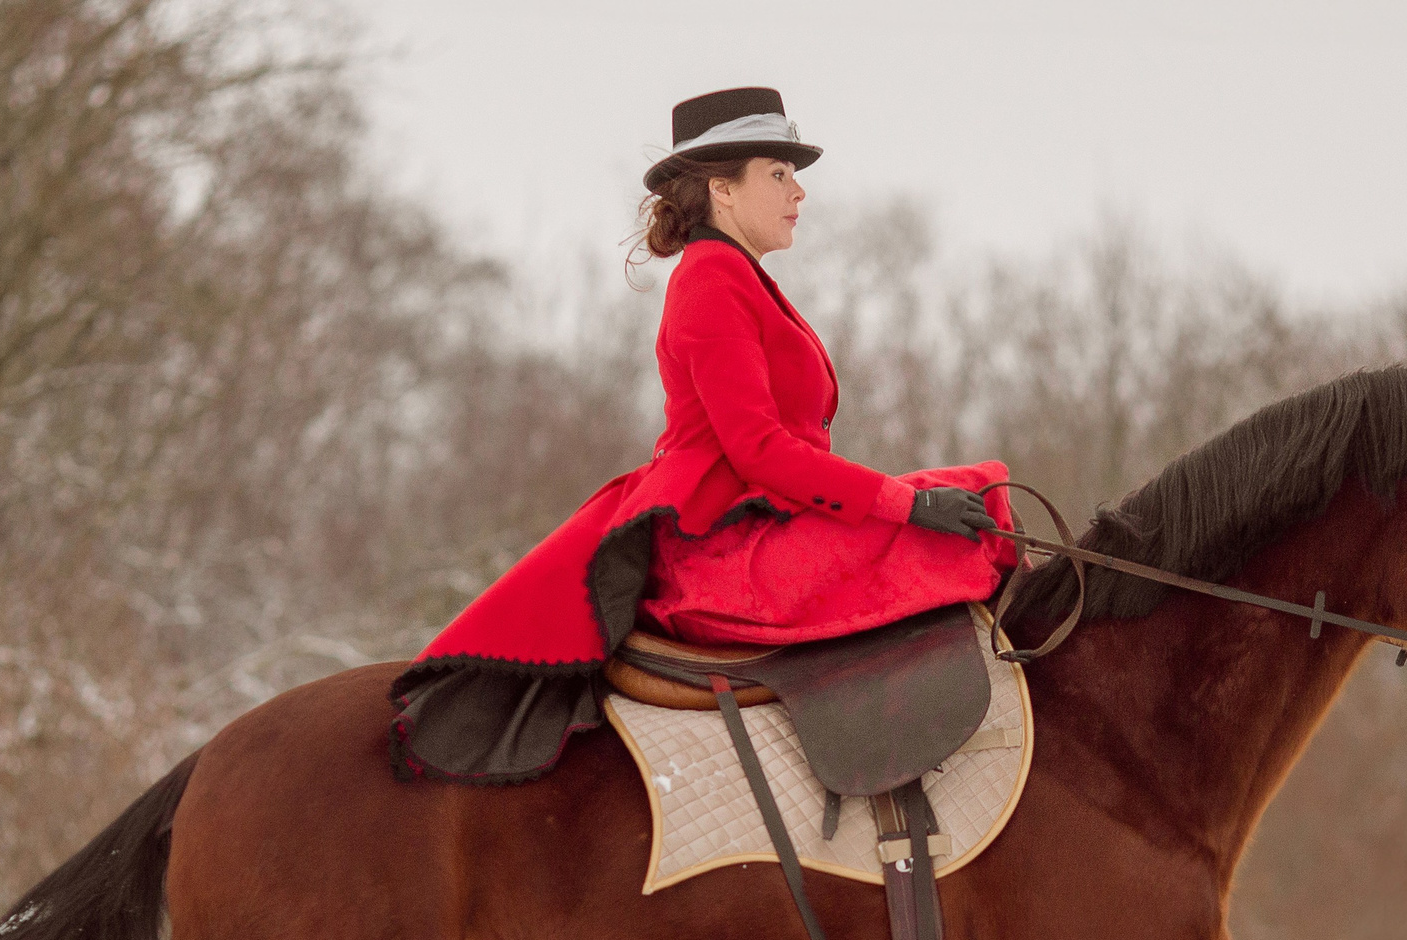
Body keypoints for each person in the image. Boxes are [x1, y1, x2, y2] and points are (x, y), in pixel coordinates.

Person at [388, 86, 1016, 785]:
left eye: (794, 175)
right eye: (777, 174)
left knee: (980, 491)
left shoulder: (738, 275)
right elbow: (760, 450)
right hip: (722, 555)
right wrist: (901, 502)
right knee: (971, 502)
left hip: (764, 522)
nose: (798, 192)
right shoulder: (711, 280)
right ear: (722, 188)